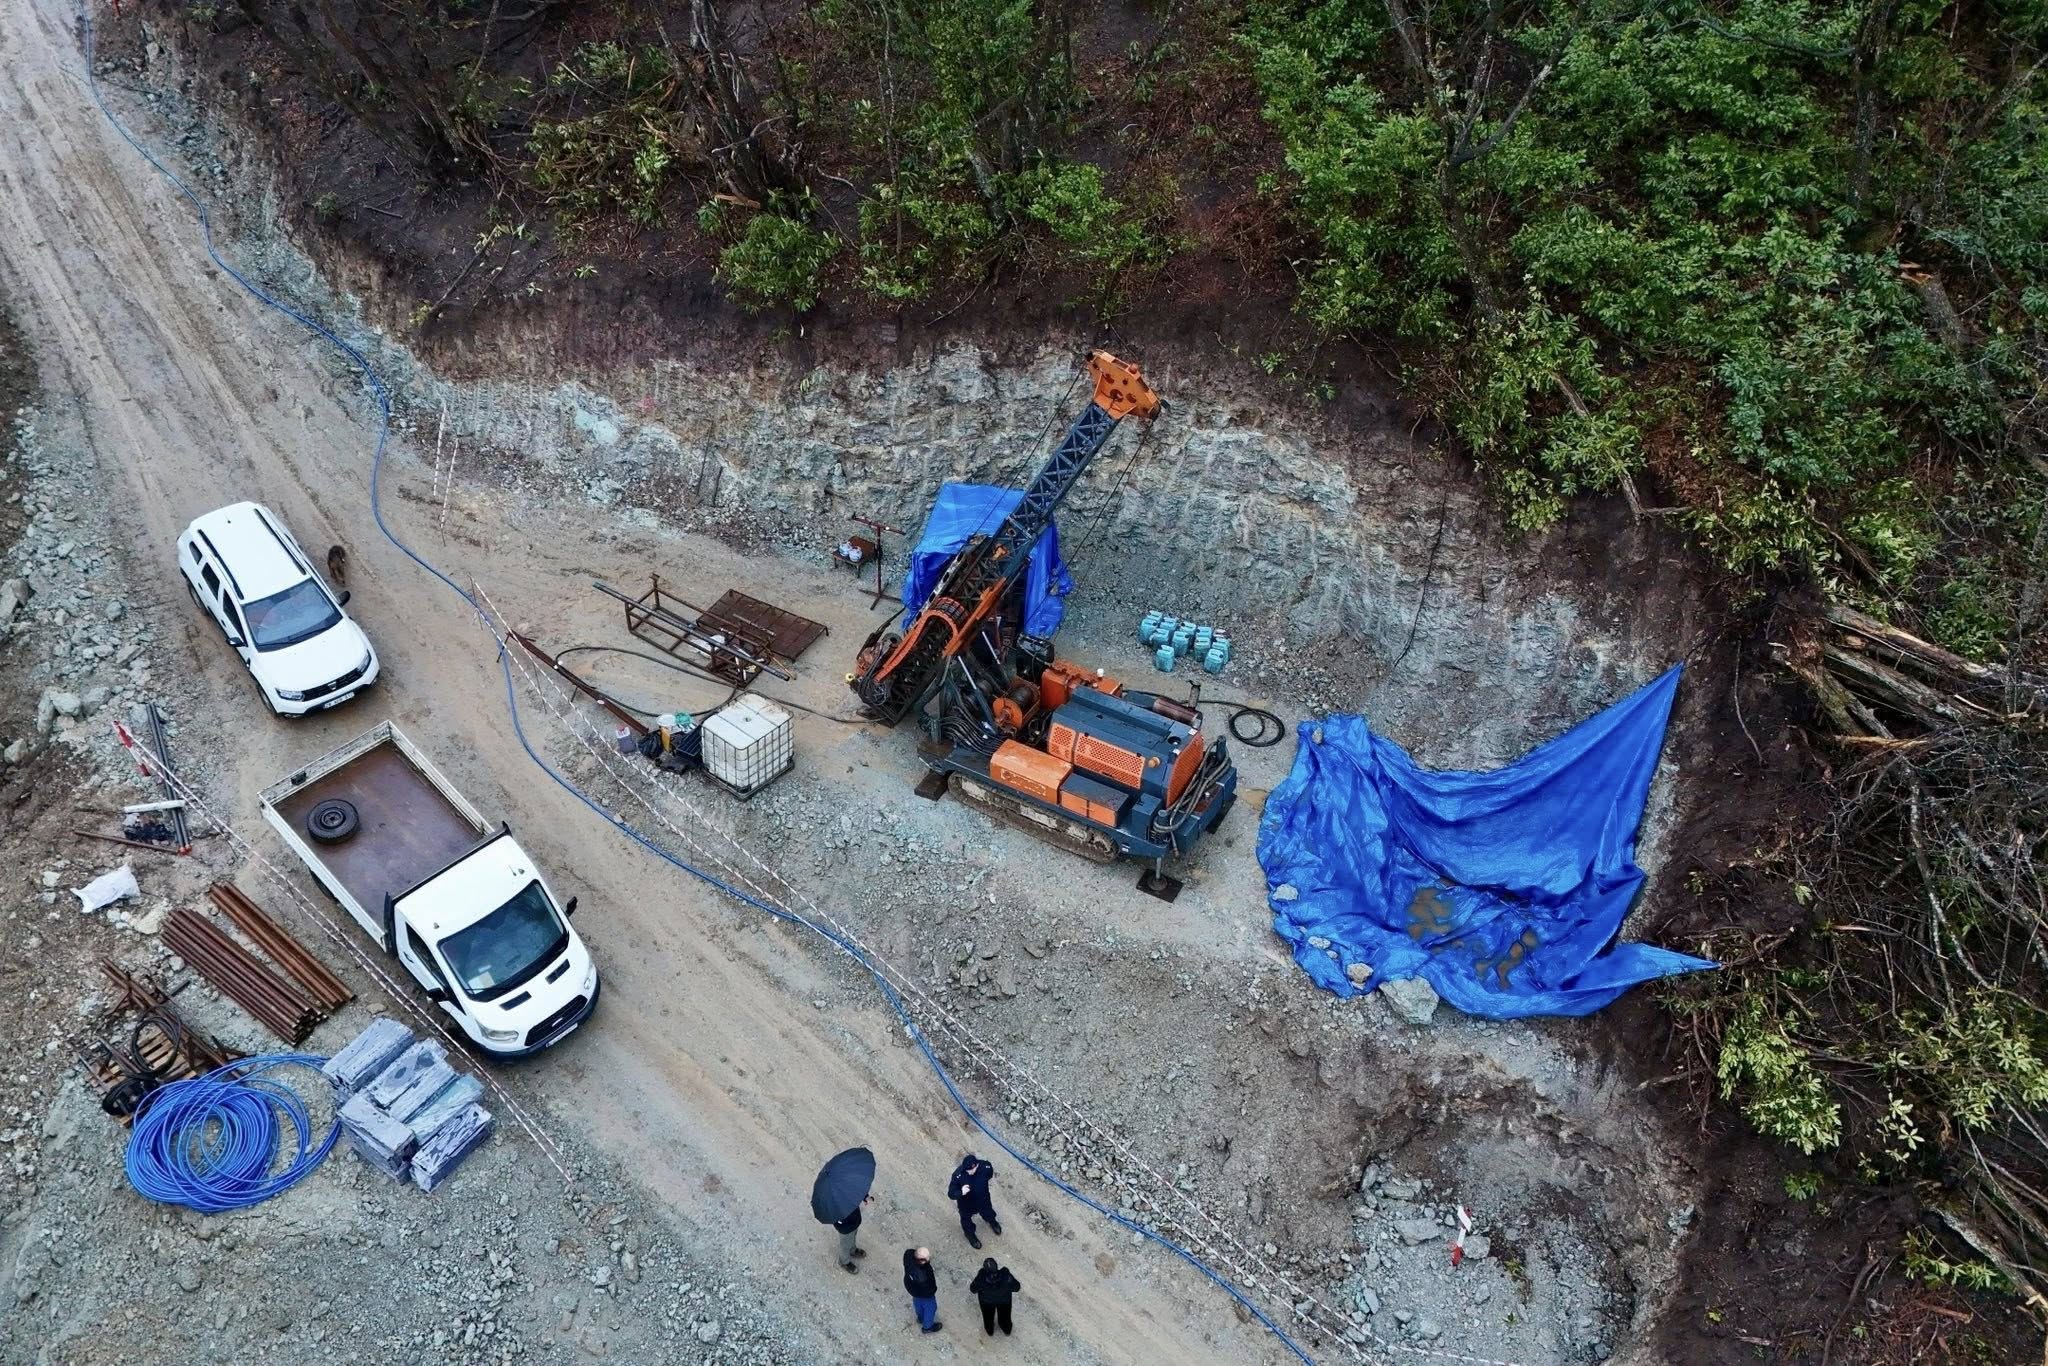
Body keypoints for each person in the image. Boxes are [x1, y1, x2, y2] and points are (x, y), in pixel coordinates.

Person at [949, 1153, 1002, 1249]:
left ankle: (993, 1222)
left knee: (988, 1212)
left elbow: (989, 1174)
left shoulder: (985, 1167)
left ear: (976, 1165)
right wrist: (961, 1192)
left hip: (983, 1200)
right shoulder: (958, 1175)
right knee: (966, 1220)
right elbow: (951, 1194)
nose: (968, 1172)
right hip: (966, 1204)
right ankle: (970, 1235)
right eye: (966, 1170)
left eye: (970, 1170)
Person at [968, 1257, 1022, 1337]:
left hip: (987, 1302)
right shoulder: (1005, 1275)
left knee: (988, 1318)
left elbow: (973, 1289)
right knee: (1005, 1318)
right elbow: (1017, 1288)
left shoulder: (981, 1278)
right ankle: (1006, 1330)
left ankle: (990, 1331)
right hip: (1004, 1301)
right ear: (996, 1267)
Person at [902, 1246, 942, 1334]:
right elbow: (930, 1290)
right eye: (926, 1259)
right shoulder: (922, 1276)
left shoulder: (908, 1255)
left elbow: (911, 1251)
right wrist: (933, 1290)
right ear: (920, 1261)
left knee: (917, 1302)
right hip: (924, 1293)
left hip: (911, 1287)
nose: (928, 1259)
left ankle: (921, 1318)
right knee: (930, 1307)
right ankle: (927, 1327)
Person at [833, 1194, 873, 1273]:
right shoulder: (833, 1200)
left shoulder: (846, 1189)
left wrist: (864, 1196)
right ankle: (844, 1261)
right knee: (845, 1245)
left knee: (852, 1236)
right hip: (845, 1227)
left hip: (854, 1220)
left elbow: (856, 1190)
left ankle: (852, 1250)